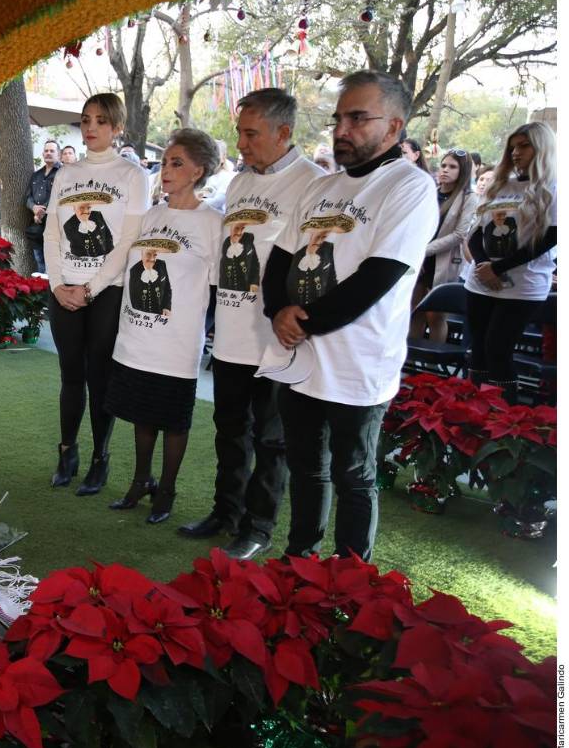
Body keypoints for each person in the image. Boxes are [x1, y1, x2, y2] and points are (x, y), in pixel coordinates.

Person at [261, 70, 438, 562]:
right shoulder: (322, 188)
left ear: (395, 126)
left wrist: (303, 321)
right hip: (300, 359)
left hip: (359, 362)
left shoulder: (410, 187)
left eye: (358, 118)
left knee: (353, 475)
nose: (342, 130)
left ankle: (349, 583)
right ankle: (300, 561)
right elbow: (279, 257)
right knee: (305, 468)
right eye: (339, 118)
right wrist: (277, 310)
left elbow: (378, 276)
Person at [178, 88, 326, 559]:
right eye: (240, 132)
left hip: (276, 338)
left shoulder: (313, 183)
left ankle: (259, 526)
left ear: (284, 133)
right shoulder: (239, 183)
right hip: (231, 331)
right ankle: (227, 511)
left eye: (250, 133)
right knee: (228, 428)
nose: (240, 144)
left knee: (270, 437)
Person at [91, 128, 221, 523]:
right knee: (141, 413)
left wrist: (203, 328)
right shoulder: (152, 215)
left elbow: (215, 287)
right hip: (136, 337)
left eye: (176, 163)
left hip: (177, 341)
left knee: (173, 419)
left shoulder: (212, 222)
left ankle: (166, 491)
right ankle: (141, 481)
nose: (166, 170)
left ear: (198, 171)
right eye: (164, 162)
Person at [43, 93, 151, 495]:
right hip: (63, 288)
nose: (91, 127)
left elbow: (128, 241)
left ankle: (99, 459)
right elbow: (53, 232)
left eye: (101, 121)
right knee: (70, 374)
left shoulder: (132, 175)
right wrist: (57, 284)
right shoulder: (65, 175)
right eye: (86, 119)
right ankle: (67, 451)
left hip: (106, 290)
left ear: (117, 127)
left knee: (99, 378)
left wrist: (90, 288)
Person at [464, 122, 557, 398]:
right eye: (513, 146)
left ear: (542, 148)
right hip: (480, 282)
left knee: (498, 351)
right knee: (478, 349)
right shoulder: (501, 186)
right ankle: (471, 415)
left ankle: (505, 424)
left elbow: (549, 239)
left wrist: (498, 268)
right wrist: (483, 266)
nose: (516, 152)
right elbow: (475, 234)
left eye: (524, 146)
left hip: (521, 287)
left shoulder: (554, 188)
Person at [409, 150, 477, 343]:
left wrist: (423, 250)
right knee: (413, 311)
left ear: (462, 170)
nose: (445, 170)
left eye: (452, 167)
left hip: (443, 261)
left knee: (435, 315)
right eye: (444, 165)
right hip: (418, 260)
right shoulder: (430, 192)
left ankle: (433, 365)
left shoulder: (468, 197)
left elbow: (459, 234)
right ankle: (412, 361)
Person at [26, 140, 61, 273]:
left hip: (54, 227)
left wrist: (42, 212)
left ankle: (52, 292)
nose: (48, 153)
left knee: (53, 264)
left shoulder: (64, 173)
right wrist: (34, 208)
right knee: (40, 261)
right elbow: (27, 197)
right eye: (46, 151)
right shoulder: (36, 174)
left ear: (58, 154)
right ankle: (42, 291)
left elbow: (59, 196)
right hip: (36, 227)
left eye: (52, 151)